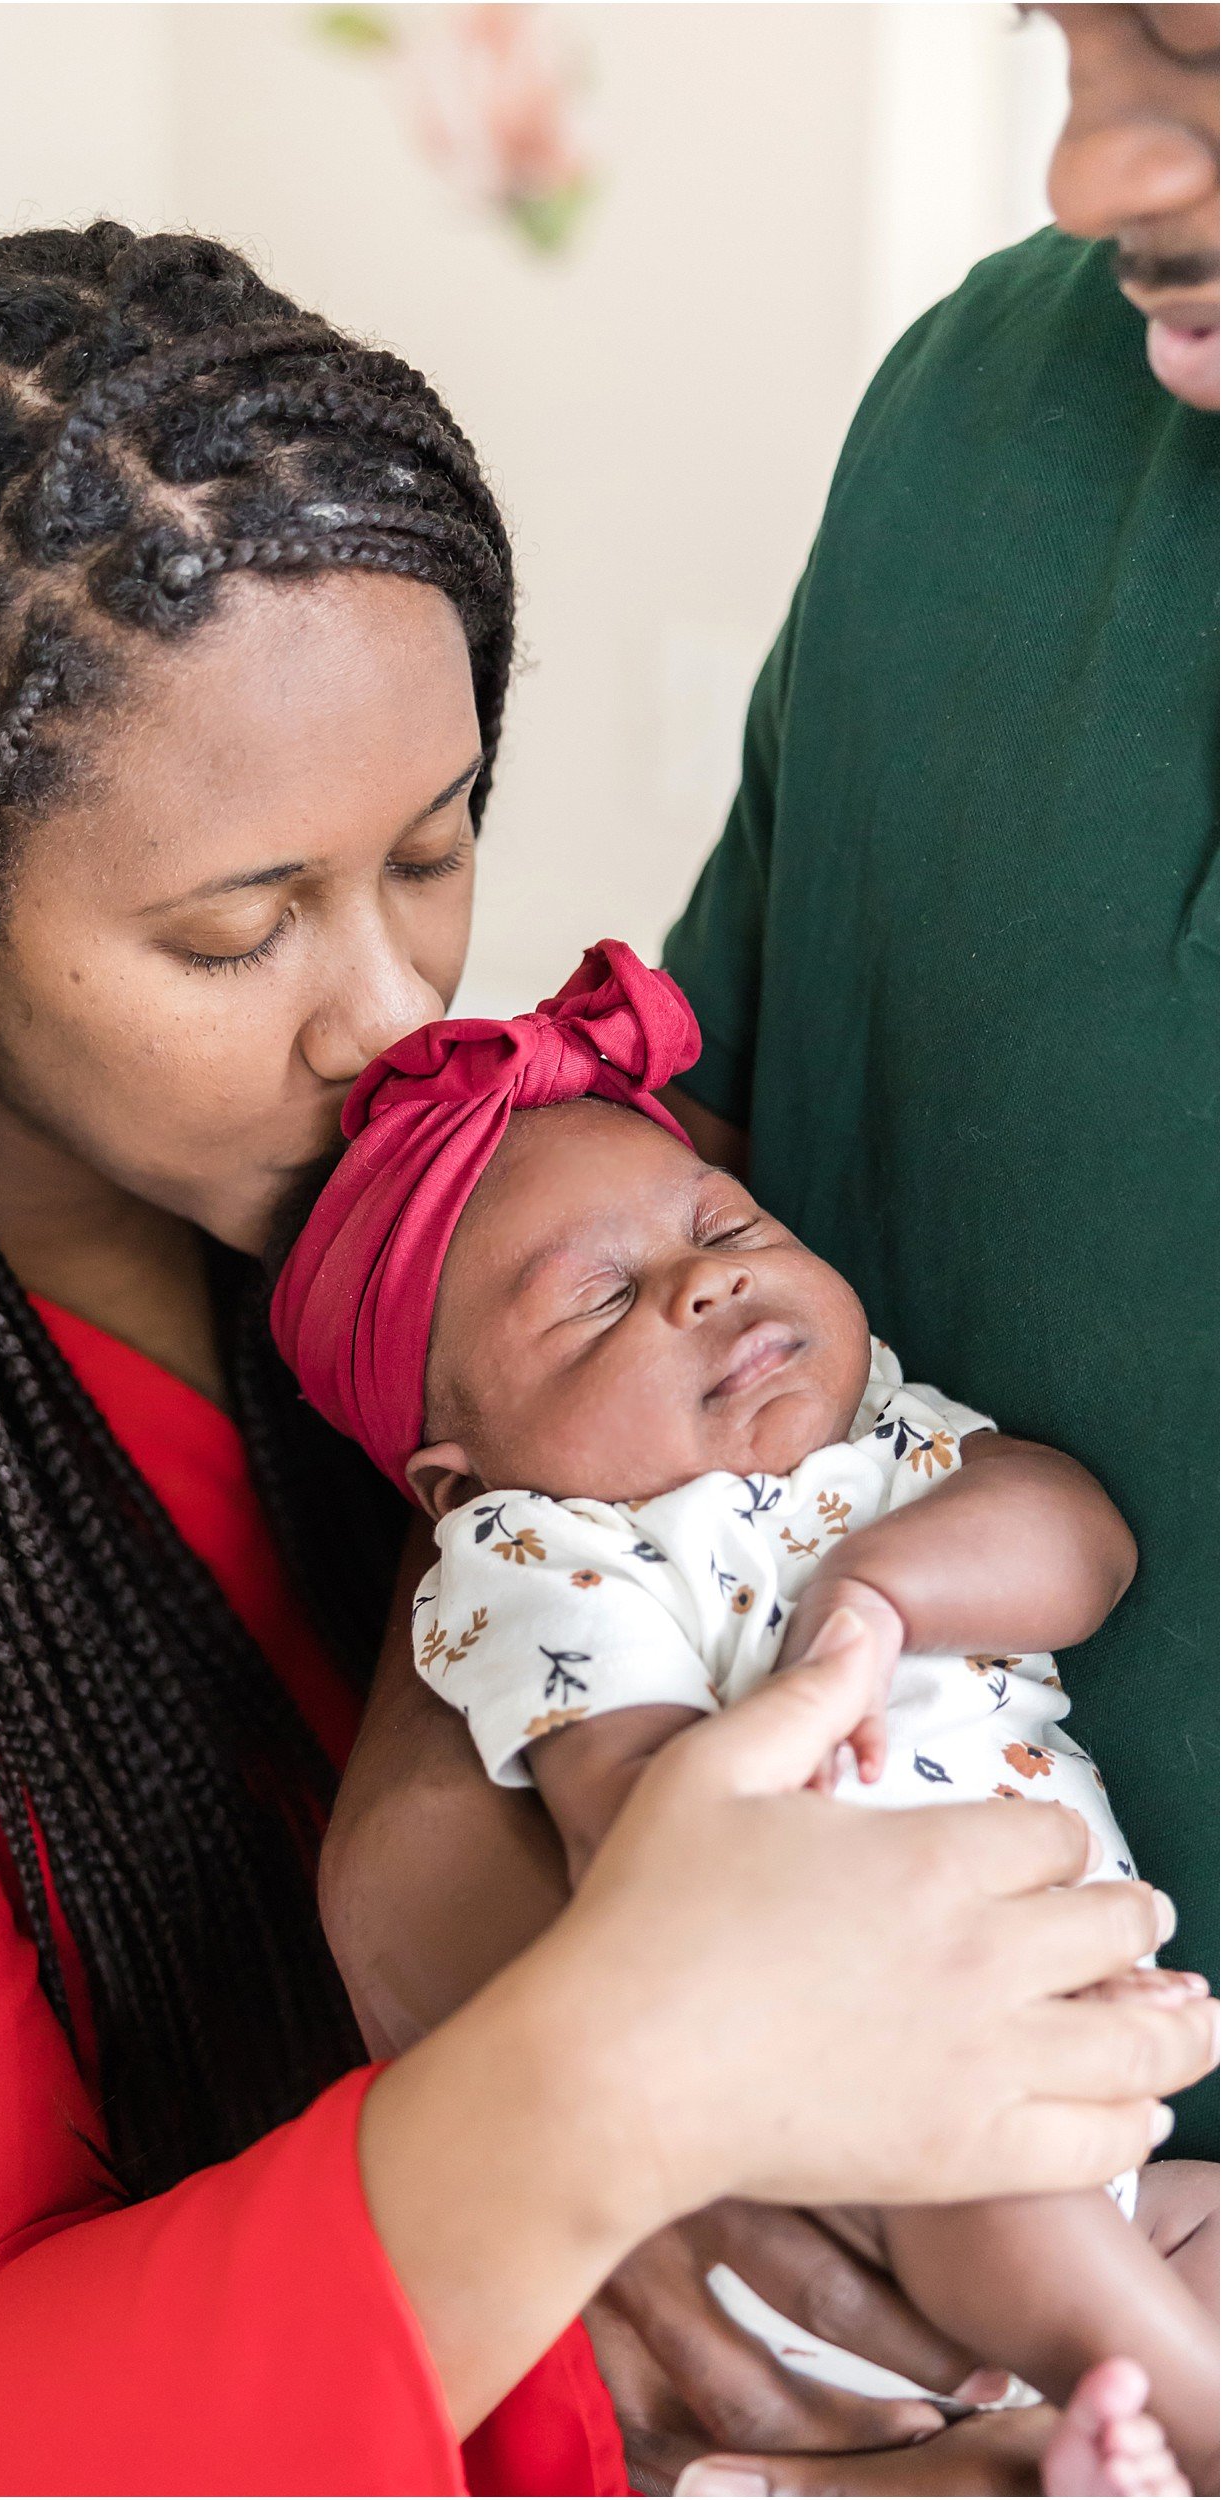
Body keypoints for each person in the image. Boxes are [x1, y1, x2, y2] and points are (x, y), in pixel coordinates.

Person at [0, 226, 1210, 2500]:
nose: (384, 1014)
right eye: (236, 927)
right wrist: (618, 2075)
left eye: (435, 854)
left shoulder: (469, 1187)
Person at [317, 8, 1219, 2494]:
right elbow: (624, 1186)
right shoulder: (981, 441)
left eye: (1202, 39)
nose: (1090, 157)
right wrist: (440, 1898)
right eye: (1072, 21)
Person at [268, 937, 1220, 2494]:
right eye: (594, 1306)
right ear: (462, 1480)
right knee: (998, 2197)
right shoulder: (546, 1555)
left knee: (1196, 2228)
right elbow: (635, 1819)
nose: (702, 1278)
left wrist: (890, 1586)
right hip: (869, 2083)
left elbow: (1082, 1542)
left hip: (1089, 2134)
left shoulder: (883, 1439)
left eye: (726, 1223)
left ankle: (1055, 2453)